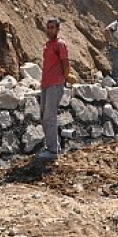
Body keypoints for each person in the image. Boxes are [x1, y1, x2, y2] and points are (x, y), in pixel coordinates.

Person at [38, 17, 70, 161]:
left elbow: (65, 63)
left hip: (55, 84)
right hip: (45, 84)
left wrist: (64, 78)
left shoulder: (60, 45)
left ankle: (53, 150)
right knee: (44, 116)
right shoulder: (47, 45)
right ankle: (50, 146)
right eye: (48, 27)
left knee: (49, 116)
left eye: (52, 27)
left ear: (57, 29)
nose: (50, 30)